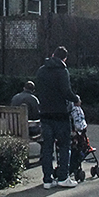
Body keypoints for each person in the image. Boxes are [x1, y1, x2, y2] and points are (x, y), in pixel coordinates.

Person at [35, 46, 80, 189]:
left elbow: (38, 90)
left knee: (47, 148)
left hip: (45, 114)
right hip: (60, 114)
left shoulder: (41, 71)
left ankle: (47, 180)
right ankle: (63, 177)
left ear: (52, 54)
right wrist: (76, 99)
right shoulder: (62, 71)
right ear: (64, 59)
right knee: (64, 146)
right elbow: (67, 92)